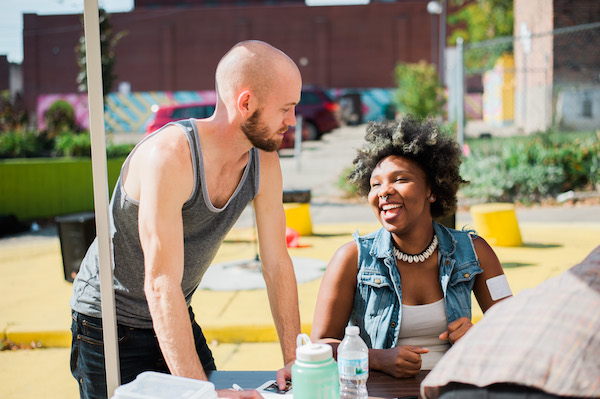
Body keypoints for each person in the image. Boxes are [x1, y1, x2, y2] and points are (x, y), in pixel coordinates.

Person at [70, 40, 302, 399]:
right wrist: (201, 394)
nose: (293, 120)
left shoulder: (263, 160)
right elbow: (160, 282)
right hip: (110, 325)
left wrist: (294, 359)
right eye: (286, 108)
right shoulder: (170, 156)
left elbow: (276, 262)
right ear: (245, 104)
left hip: (174, 314)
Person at [311, 116, 511, 378]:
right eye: (376, 184)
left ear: (432, 189)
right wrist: (377, 359)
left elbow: (512, 330)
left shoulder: (475, 252)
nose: (384, 191)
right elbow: (321, 347)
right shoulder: (352, 258)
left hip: (454, 389)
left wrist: (479, 338)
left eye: (400, 179)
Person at [421, 245, 600, 399]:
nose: (390, 202)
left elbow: (502, 308)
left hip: (455, 376)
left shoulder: (472, 248)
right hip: (455, 378)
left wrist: (477, 334)